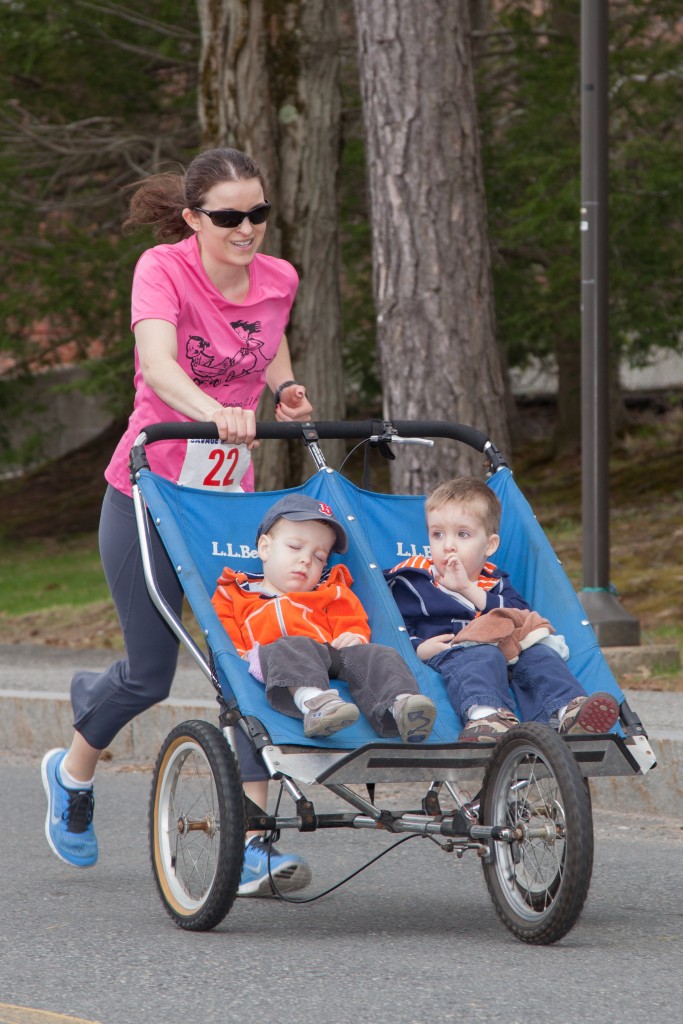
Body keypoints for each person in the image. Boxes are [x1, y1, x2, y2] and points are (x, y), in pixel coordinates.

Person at [41, 147, 315, 896]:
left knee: (247, 659)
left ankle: (253, 842)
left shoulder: (279, 277)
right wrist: (214, 413)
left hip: (228, 502)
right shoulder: (161, 269)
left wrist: (284, 389)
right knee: (150, 675)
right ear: (194, 218)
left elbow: (271, 338)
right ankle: (71, 775)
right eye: (229, 217)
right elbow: (159, 367)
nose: (247, 228)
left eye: (258, 213)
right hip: (148, 492)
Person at [384, 477, 619, 742]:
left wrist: (469, 590)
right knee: (480, 656)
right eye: (437, 534)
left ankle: (568, 710)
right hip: (452, 651)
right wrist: (417, 647)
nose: (447, 545)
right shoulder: (415, 580)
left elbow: (520, 616)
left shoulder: (494, 581)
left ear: (490, 545)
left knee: (540, 654)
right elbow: (394, 623)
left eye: (463, 534)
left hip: (507, 653)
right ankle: (484, 716)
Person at [212, 494, 437, 749]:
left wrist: (354, 635)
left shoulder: (329, 590)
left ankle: (403, 706)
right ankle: (316, 705)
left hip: (330, 653)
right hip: (274, 659)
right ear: (264, 548)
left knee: (380, 654)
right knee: (290, 646)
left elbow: (350, 616)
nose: (306, 560)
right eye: (295, 547)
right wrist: (240, 656)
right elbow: (224, 628)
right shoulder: (235, 592)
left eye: (319, 557)